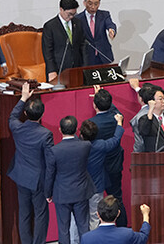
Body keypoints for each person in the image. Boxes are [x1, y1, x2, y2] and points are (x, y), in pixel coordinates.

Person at [8, 82, 54, 244]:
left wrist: (23, 98)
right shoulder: (46, 135)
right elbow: (50, 164)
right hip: (38, 181)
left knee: (24, 214)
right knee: (41, 215)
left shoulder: (17, 128)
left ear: (26, 113)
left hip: (21, 177)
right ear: (42, 115)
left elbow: (12, 116)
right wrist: (49, 190)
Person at [46, 115, 95, 244]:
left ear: (60, 130)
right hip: (81, 192)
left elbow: (50, 174)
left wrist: (48, 193)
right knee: (83, 226)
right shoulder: (85, 146)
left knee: (63, 229)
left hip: (62, 194)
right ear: (77, 129)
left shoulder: (54, 151)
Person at [89, 87, 127, 226]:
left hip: (97, 168)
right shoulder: (117, 118)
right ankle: (122, 228)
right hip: (115, 165)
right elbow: (117, 111)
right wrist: (105, 98)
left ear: (94, 105)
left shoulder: (91, 123)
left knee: (95, 204)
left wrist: (99, 97)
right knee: (117, 199)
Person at [79, 115, 124, 233]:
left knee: (79, 217)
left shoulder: (77, 146)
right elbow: (115, 139)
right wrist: (119, 122)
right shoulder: (100, 145)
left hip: (80, 187)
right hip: (96, 187)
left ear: (82, 135)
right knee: (94, 217)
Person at [42, 0, 86, 81]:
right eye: (69, 14)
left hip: (76, 69)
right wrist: (51, 71)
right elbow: (47, 52)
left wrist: (85, 67)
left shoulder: (78, 23)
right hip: (58, 70)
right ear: (61, 9)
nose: (72, 17)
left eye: (74, 14)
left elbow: (83, 46)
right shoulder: (50, 26)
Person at [81, 196, 150, 244]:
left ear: (98, 214)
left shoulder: (86, 238)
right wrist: (145, 215)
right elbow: (144, 236)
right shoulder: (127, 234)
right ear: (118, 213)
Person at [75, 0, 117, 66]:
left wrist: (111, 30)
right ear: (84, 3)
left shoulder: (104, 15)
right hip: (87, 58)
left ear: (99, 3)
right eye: (90, 3)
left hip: (103, 55)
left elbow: (110, 24)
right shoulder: (78, 19)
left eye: (96, 4)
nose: (93, 7)